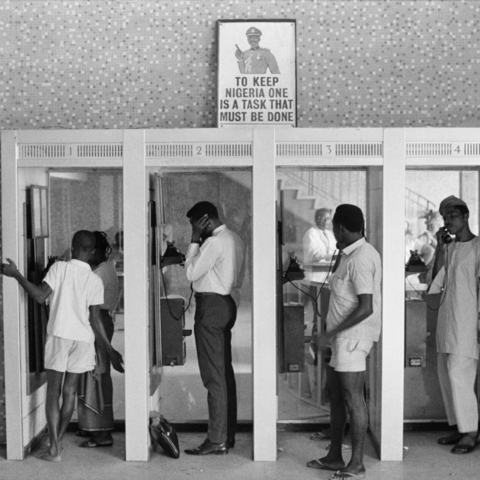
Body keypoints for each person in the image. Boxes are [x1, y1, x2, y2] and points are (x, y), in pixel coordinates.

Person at [0, 230, 124, 462]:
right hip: (84, 339)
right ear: (92, 251)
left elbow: (39, 296)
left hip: (60, 335)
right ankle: (57, 445)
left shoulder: (60, 269)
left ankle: (54, 447)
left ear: (73, 247)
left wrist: (16, 274)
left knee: (53, 393)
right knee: (69, 393)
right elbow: (95, 319)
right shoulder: (95, 279)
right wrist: (110, 351)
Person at [308, 204, 381, 480]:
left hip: (352, 338)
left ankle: (357, 463)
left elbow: (366, 307)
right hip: (342, 338)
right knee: (337, 398)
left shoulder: (362, 257)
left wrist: (329, 333)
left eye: (335, 229)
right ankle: (334, 456)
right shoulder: (350, 255)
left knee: (353, 399)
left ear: (339, 228)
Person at [183, 201, 245, 455]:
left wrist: (194, 239)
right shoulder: (235, 239)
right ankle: (226, 434)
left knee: (213, 377)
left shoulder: (213, 242)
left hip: (211, 306)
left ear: (205, 221)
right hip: (227, 303)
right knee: (224, 374)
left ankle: (216, 439)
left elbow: (190, 272)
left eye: (195, 225)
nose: (195, 229)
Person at [429, 195, 480, 454]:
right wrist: (439, 248)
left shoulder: (478, 246)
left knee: (460, 374)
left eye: (453, 216)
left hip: (468, 321)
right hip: (447, 320)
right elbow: (433, 284)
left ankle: (471, 432)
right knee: (445, 374)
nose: (448, 220)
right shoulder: (447, 248)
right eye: (445, 217)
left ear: (466, 217)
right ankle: (460, 426)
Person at [76, 231, 119, 448]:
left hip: (97, 323)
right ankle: (92, 426)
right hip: (102, 321)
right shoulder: (107, 268)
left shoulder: (98, 274)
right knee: (95, 375)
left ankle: (102, 433)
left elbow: (90, 310)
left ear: (96, 251)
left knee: (96, 376)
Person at [303, 208, 336, 283]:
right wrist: (333, 256)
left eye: (328, 218)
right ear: (317, 219)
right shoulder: (311, 233)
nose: (326, 221)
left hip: (328, 273)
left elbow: (335, 250)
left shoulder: (330, 234)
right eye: (324, 218)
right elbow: (314, 255)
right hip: (315, 275)